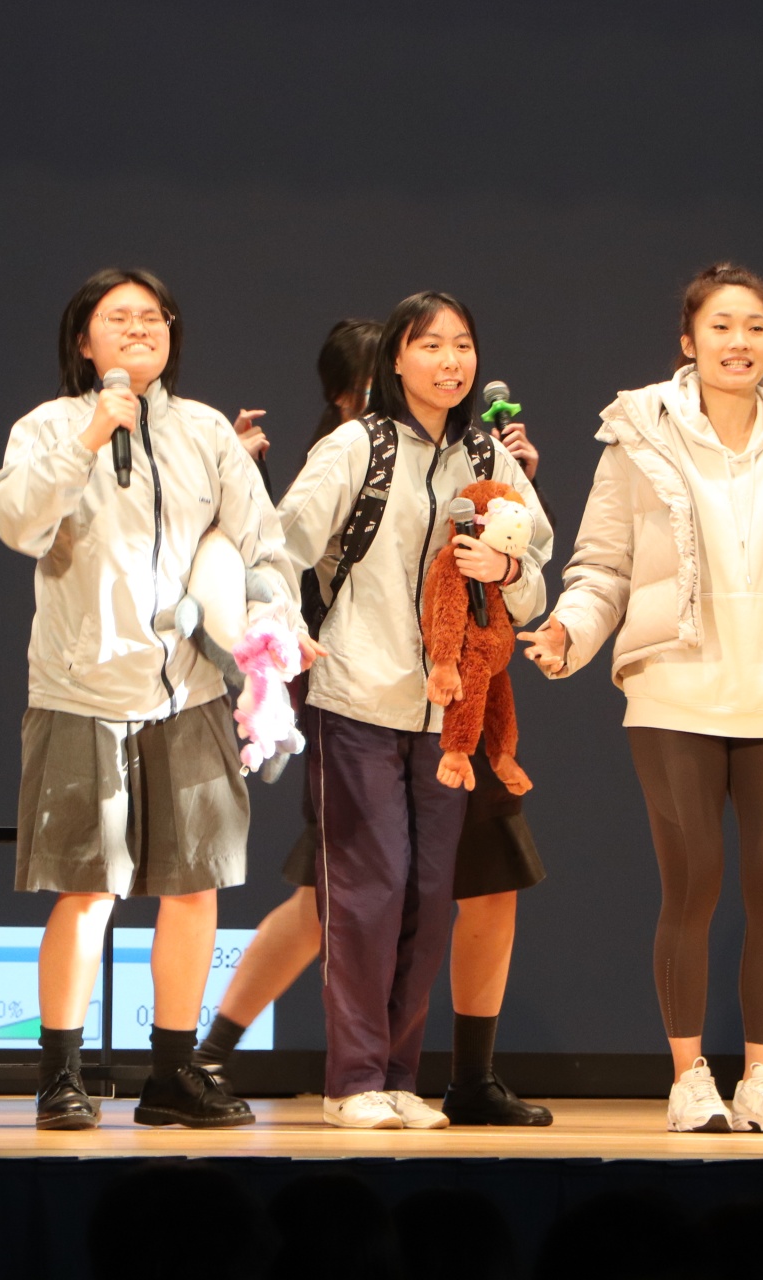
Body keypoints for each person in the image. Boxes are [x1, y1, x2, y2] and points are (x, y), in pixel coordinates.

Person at [519, 263, 763, 1134]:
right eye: (722, 326)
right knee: (692, 885)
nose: (740, 342)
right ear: (687, 341)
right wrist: (569, 631)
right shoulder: (636, 436)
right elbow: (604, 566)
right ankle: (688, 1077)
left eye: (755, 328)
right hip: (675, 691)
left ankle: (761, 1077)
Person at [196, 317, 556, 1125]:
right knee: (369, 893)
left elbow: (533, 574)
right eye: (430, 345)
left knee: (428, 897)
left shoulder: (488, 457)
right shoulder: (358, 445)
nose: (449, 361)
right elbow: (280, 546)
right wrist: (283, 623)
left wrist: (506, 568)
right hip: (356, 697)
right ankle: (353, 1082)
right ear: (397, 358)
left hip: (448, 714)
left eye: (462, 346)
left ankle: (398, 1078)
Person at [0, 266, 305, 1130]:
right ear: (82, 340)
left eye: (153, 317)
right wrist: (92, 433)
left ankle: (172, 1072)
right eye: (118, 317)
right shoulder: (49, 427)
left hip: (189, 690)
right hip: (81, 689)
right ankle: (61, 1072)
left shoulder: (205, 431)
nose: (139, 329)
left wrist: (277, 621)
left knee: (195, 888)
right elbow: (17, 522)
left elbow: (262, 543)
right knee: (87, 890)